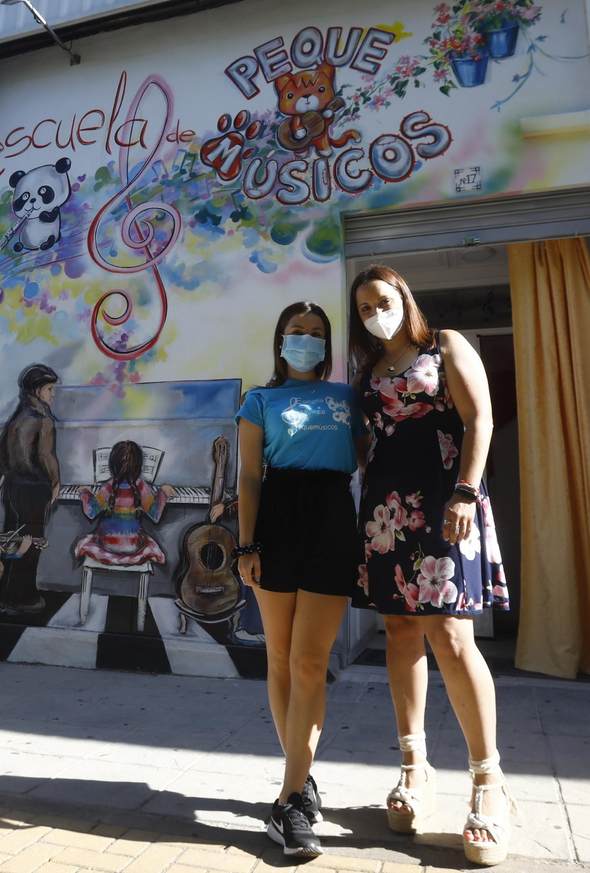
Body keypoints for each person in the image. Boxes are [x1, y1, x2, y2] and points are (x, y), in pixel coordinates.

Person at [349, 264, 513, 867]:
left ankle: (488, 781)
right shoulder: (366, 370)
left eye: (381, 301)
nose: (374, 313)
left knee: (451, 635)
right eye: (363, 307)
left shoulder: (444, 345)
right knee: (397, 632)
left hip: (447, 502)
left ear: (404, 298)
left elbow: (481, 419)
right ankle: (415, 768)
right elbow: (367, 438)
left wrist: (467, 491)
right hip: (387, 510)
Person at [235, 301, 368, 858]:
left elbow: (369, 459)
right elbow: (248, 475)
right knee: (281, 658)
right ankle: (300, 783)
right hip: (276, 524)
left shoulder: (348, 398)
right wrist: (245, 545)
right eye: (297, 332)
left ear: (327, 343)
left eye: (316, 334)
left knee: (312, 662)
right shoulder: (259, 401)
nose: (306, 341)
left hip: (333, 521)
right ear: (280, 339)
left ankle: (290, 797)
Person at [0, 364, 61, 614]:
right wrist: (55, 481)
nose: (53, 394)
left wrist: (7, 472)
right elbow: (46, 455)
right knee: (30, 544)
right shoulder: (43, 421)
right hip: (33, 491)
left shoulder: (17, 418)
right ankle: (23, 598)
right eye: (50, 389)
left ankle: (4, 595)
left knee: (12, 541)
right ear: (38, 391)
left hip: (12, 490)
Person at [75, 440, 173, 565]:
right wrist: (163, 492)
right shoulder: (141, 487)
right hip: (134, 546)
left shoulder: (109, 487)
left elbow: (90, 511)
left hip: (107, 544)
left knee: (91, 536)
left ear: (112, 464)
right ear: (139, 465)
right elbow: (155, 514)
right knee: (145, 538)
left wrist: (85, 492)